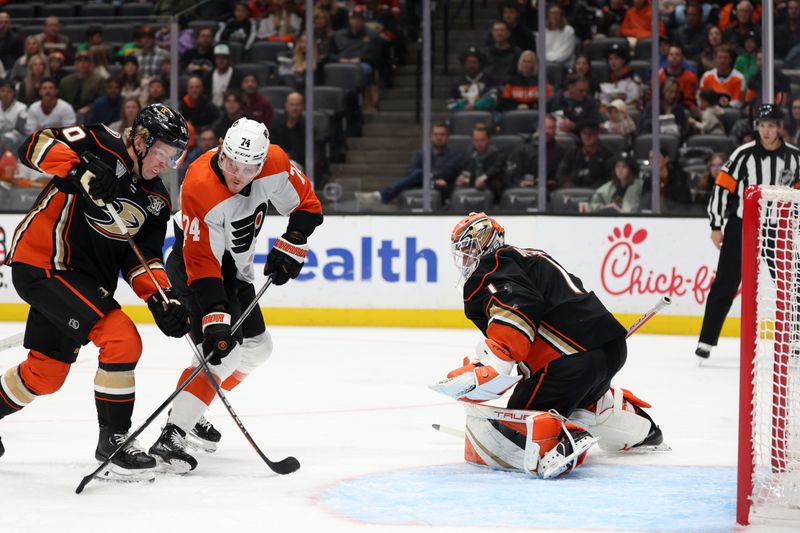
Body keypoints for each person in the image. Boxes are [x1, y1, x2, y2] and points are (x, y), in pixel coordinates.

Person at [0, 104, 192, 478]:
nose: (166, 164)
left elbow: (143, 260)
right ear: (140, 139)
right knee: (121, 338)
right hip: (45, 262)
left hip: (85, 281)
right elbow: (33, 145)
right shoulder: (99, 141)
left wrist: (162, 299)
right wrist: (77, 169)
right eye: (162, 153)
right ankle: (115, 441)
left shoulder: (157, 201)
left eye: (174, 157)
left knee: (45, 374)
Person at [429, 212, 663, 478]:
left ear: (486, 243)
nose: (467, 257)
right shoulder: (528, 256)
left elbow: (520, 306)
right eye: (463, 250)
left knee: (520, 423)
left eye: (470, 248)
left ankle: (564, 439)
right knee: (583, 399)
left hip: (569, 361)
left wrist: (496, 361)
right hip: (610, 347)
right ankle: (632, 423)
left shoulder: (491, 269)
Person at [148, 118, 323, 471]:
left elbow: (307, 206)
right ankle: (172, 435)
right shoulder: (199, 184)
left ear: (261, 163)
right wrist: (215, 318)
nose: (238, 174)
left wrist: (293, 243)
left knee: (259, 348)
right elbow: (202, 263)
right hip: (194, 268)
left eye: (249, 168)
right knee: (222, 353)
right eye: (231, 164)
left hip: (237, 271)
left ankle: (195, 404)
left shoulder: (274, 163)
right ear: (222, 151)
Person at [696, 105, 800, 359]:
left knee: (791, 283)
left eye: (771, 126)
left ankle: (796, 337)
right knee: (726, 283)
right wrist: (716, 225)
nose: (766, 131)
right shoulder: (743, 154)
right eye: (762, 126)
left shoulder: (795, 157)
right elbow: (722, 187)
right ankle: (706, 340)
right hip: (743, 226)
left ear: (779, 128)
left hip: (779, 227)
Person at [355, 122, 464, 206]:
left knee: (419, 174)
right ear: (431, 136)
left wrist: (426, 176)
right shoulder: (421, 154)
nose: (439, 137)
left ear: (447, 137)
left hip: (443, 190)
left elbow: (446, 173)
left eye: (442, 134)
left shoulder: (455, 156)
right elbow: (409, 171)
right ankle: (381, 196)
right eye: (436, 134)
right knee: (417, 173)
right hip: (423, 185)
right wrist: (433, 179)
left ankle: (381, 196)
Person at [454, 123, 507, 203]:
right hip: (470, 197)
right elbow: (466, 173)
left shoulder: (498, 156)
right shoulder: (469, 155)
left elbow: (496, 172)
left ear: (489, 139)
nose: (479, 143)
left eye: (482, 140)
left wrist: (484, 178)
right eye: (476, 140)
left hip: (494, 199)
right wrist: (462, 179)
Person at [0, 79, 27, 152]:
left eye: (9, 91)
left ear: (14, 93)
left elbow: (21, 130)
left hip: (14, 140)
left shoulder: (22, 108)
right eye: (2, 90)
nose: (5, 94)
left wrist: (4, 139)